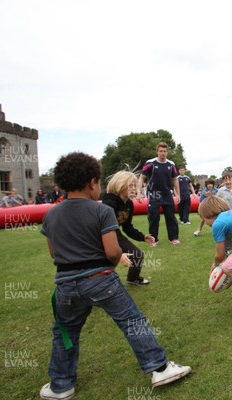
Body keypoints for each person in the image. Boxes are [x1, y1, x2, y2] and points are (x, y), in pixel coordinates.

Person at [39, 152, 190, 400]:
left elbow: (54, 255)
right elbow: (112, 251)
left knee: (64, 332)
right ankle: (159, 368)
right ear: (92, 182)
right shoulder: (102, 211)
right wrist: (113, 258)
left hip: (65, 285)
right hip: (100, 279)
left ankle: (60, 385)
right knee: (132, 322)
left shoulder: (51, 214)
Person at [103, 171, 155, 285]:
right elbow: (103, 229)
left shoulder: (129, 204)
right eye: (130, 185)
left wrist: (142, 237)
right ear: (120, 185)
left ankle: (133, 278)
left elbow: (128, 228)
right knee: (107, 260)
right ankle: (101, 283)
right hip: (101, 235)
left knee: (137, 255)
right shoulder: (109, 203)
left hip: (115, 233)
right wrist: (119, 252)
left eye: (134, 185)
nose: (133, 188)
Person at [137, 142, 181, 246]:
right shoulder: (150, 163)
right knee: (154, 218)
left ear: (167, 152)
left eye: (165, 151)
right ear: (157, 152)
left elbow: (175, 180)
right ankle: (154, 240)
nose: (163, 153)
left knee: (171, 217)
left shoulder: (171, 164)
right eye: (161, 151)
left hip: (167, 195)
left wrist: (178, 194)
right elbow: (141, 178)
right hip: (153, 195)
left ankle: (174, 238)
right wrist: (138, 193)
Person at [216, 172, 232, 254]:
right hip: (226, 214)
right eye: (226, 180)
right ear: (223, 181)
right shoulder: (221, 191)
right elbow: (216, 200)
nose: (228, 181)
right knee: (227, 232)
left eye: (229, 179)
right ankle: (228, 250)